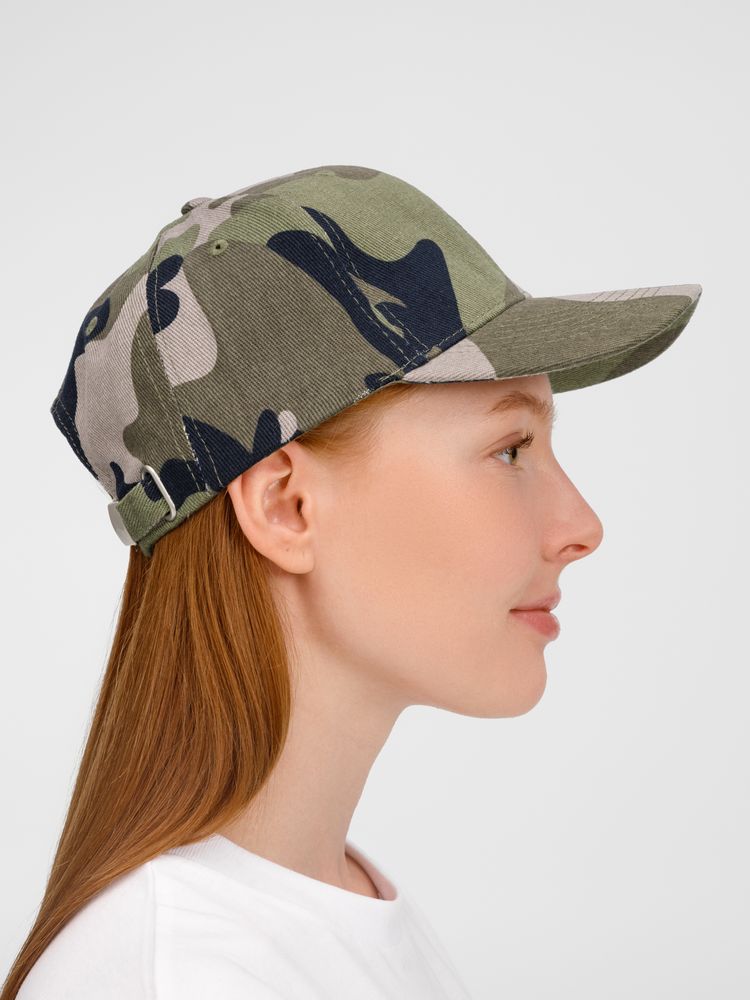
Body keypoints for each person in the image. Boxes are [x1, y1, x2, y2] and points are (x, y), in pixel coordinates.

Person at [3, 164, 702, 1000]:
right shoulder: (178, 976)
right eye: (510, 450)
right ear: (287, 507)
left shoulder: (334, 907)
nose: (582, 526)